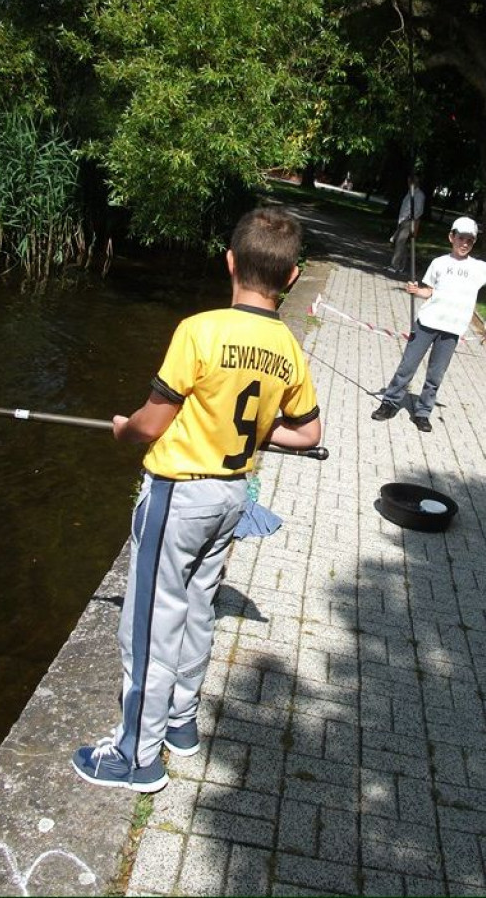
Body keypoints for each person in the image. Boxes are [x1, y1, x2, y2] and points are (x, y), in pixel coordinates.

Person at [72, 207, 321, 793]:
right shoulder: (287, 347)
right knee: (197, 609)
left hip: (179, 496)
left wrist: (123, 431)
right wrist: (259, 431)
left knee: (149, 621)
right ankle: (182, 722)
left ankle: (138, 756)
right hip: (233, 499)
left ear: (230, 262)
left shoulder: (200, 330)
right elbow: (309, 435)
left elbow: (151, 424)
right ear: (290, 278)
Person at [373, 216, 486, 432]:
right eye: (461, 238)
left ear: (473, 242)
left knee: (435, 375)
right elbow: (429, 291)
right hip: (426, 324)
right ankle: (389, 403)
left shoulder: (479, 268)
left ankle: (422, 412)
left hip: (452, 329)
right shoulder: (438, 263)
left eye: (469, 240)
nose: (464, 243)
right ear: (452, 237)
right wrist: (415, 291)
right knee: (407, 366)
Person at [388, 174, 425, 274]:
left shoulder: (419, 195)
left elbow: (418, 210)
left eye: (409, 182)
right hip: (402, 220)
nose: (407, 184)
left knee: (400, 242)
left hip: (409, 222)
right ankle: (401, 266)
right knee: (402, 244)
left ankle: (395, 265)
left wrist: (409, 218)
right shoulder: (410, 192)